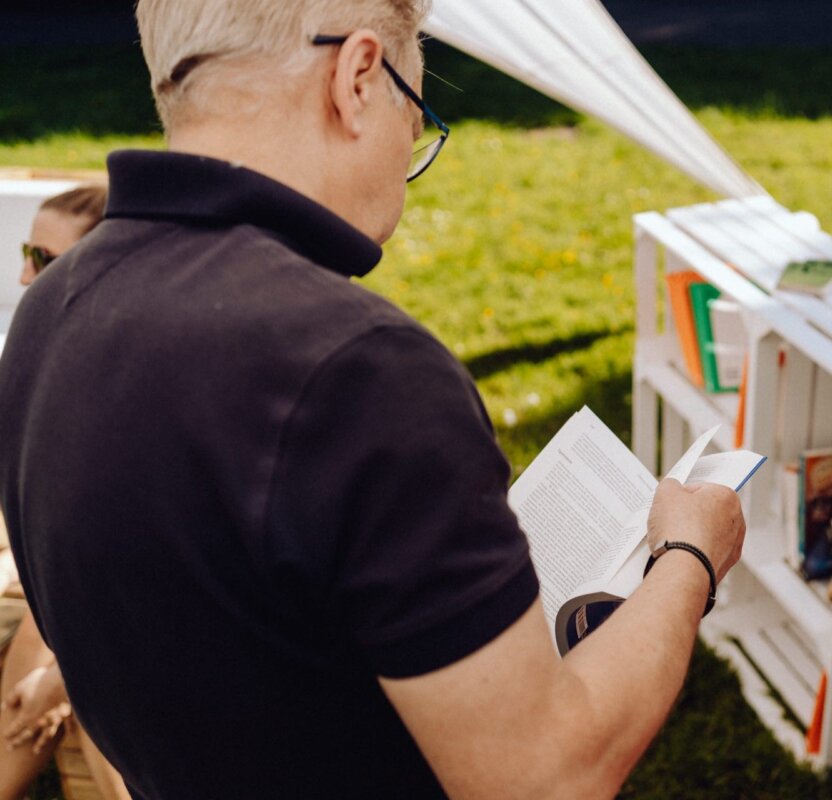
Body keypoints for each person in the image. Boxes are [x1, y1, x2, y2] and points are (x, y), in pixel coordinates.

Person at [0, 1, 746, 798]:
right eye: (417, 113)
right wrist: (689, 557)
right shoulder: (358, 371)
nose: (409, 155)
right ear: (357, 77)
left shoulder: (50, 305)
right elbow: (544, 780)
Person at [1, 185, 130, 800]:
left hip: (109, 594)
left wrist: (59, 681)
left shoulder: (126, 367)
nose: (25, 277)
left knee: (54, 637)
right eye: (27, 252)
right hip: (66, 577)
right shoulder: (49, 355)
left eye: (44, 260)